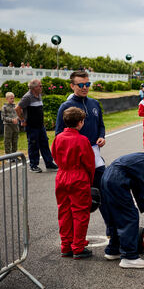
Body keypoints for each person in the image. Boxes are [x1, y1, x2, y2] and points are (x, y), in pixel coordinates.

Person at [51, 107, 96, 259]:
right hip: (78, 176)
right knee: (80, 213)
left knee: (64, 212)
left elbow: (54, 156)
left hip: (62, 175)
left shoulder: (58, 138)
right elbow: (90, 163)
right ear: (80, 122)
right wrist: (89, 180)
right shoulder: (82, 140)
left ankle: (66, 245)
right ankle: (78, 246)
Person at [55, 70, 105, 188]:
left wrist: (101, 137)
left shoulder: (95, 103)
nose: (85, 88)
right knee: (83, 193)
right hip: (76, 159)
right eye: (81, 85)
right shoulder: (66, 106)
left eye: (87, 84)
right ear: (72, 86)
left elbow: (101, 125)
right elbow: (59, 133)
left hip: (94, 152)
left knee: (102, 188)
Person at [16, 79, 58, 173]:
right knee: (33, 145)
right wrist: (22, 120)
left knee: (44, 144)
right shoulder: (27, 97)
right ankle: (33, 165)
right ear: (34, 87)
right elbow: (17, 108)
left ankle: (49, 163)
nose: (41, 87)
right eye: (40, 86)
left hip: (40, 125)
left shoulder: (38, 95)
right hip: (32, 126)